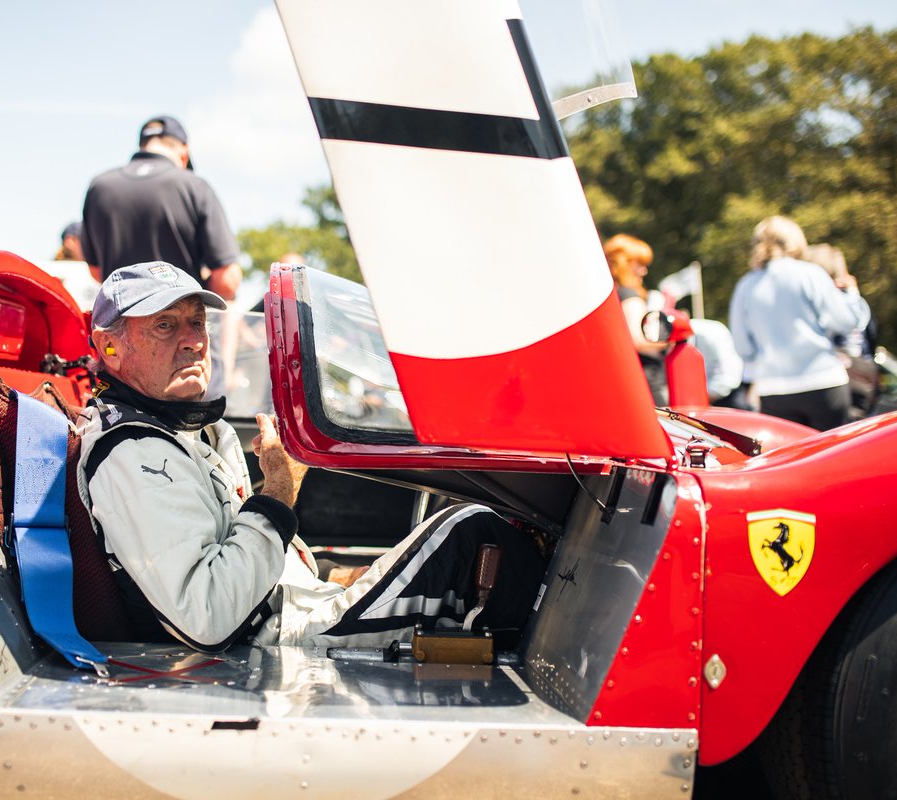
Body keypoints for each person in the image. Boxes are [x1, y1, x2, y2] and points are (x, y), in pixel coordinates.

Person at [76, 262, 545, 652]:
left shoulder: (183, 430)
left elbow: (226, 550)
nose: (194, 340)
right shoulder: (135, 451)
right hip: (276, 639)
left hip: (291, 604)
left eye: (197, 321)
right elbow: (209, 616)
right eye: (165, 324)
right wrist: (280, 491)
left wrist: (332, 576)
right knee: (472, 535)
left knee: (471, 534)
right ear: (110, 348)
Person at [729, 216, 870, 430]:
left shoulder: (746, 286)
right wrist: (851, 293)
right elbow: (848, 321)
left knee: (794, 460)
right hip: (823, 382)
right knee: (833, 459)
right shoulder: (810, 274)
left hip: (773, 390)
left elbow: (743, 348)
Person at [81, 115, 242, 300]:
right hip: (179, 321)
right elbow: (228, 281)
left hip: (121, 323)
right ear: (184, 153)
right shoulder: (193, 186)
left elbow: (96, 271)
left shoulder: (99, 187)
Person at [806, 243, 880, 418]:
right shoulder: (855, 302)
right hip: (862, 379)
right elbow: (870, 339)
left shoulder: (819, 303)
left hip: (832, 380)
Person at [604, 234, 669, 405]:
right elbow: (638, 340)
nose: (644, 271)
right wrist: (671, 340)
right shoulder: (629, 296)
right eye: (640, 265)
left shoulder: (610, 295)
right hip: (646, 382)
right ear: (625, 264)